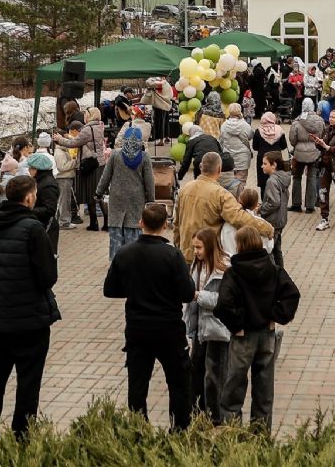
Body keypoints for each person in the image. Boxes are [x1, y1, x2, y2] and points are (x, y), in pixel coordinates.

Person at [0, 174, 60, 437]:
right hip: (29, 321)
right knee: (28, 384)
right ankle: (21, 438)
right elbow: (47, 276)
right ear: (29, 197)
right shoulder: (33, 229)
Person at [103, 203, 196, 432]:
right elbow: (186, 293)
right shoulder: (172, 255)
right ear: (165, 225)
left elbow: (110, 289)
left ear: (140, 223)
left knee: (137, 383)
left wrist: (135, 289)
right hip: (169, 328)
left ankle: (138, 430)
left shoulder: (125, 252)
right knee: (178, 383)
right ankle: (180, 430)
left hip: (137, 328)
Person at [216, 225, 300, 428]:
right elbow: (292, 294)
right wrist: (275, 316)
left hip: (243, 337)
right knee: (264, 389)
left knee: (234, 388)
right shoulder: (272, 269)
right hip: (267, 335)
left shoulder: (234, 273)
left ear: (240, 245)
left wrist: (237, 324)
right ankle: (261, 437)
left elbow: (224, 304)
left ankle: (232, 433)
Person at [174, 152, 273, 251]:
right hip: (208, 256)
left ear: (201, 167)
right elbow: (240, 218)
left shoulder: (184, 189)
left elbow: (177, 223)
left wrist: (178, 248)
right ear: (219, 169)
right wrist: (267, 228)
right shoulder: (221, 194)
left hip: (185, 252)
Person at [185, 227, 231, 424]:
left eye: (199, 247)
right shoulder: (197, 265)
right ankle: (198, 413)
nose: (195, 251)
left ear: (210, 246)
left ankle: (217, 418)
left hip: (217, 330)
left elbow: (225, 301)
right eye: (194, 247)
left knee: (215, 375)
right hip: (200, 329)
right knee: (196, 371)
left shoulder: (224, 269)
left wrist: (198, 296)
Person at [95, 124, 156, 260]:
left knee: (116, 228)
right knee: (133, 228)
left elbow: (106, 176)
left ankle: (116, 259)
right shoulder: (144, 157)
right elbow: (149, 181)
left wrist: (98, 193)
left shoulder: (115, 155)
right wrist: (151, 199)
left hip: (117, 197)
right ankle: (133, 258)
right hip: (136, 198)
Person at [52, 110, 106, 232]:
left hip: (89, 165)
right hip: (99, 163)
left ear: (90, 116)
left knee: (91, 195)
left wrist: (60, 139)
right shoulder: (99, 127)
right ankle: (105, 222)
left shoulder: (87, 129)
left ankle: (94, 223)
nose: (84, 118)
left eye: (86, 115)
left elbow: (74, 143)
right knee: (98, 194)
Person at [288, 98, 324, 212]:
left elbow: (292, 139)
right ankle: (310, 206)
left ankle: (296, 204)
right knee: (312, 178)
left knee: (297, 177)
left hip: (299, 153)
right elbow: (323, 136)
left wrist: (297, 146)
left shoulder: (297, 121)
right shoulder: (320, 120)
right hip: (315, 152)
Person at [259, 151, 291, 266]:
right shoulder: (283, 178)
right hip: (281, 218)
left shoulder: (272, 181)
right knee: (277, 249)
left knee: (270, 251)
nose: (262, 166)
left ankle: (274, 276)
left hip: (273, 220)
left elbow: (274, 202)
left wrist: (261, 209)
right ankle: (280, 273)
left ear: (274, 165)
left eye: (265, 163)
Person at [219, 103, 255, 182]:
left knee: (229, 182)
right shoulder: (245, 125)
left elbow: (221, 140)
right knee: (241, 182)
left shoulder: (224, 125)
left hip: (228, 158)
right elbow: (251, 135)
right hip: (243, 158)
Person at [252, 111, 286, 189]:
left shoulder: (258, 131)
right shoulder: (279, 130)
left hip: (263, 158)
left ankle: (264, 200)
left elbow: (254, 147)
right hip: (276, 158)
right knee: (276, 182)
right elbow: (284, 146)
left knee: (263, 184)